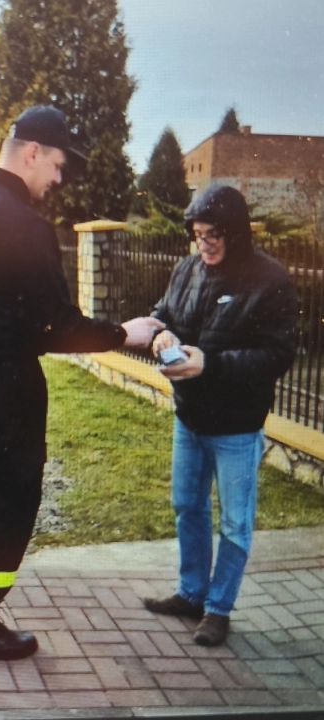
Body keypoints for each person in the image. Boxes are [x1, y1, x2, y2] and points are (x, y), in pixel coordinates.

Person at [0, 105, 164, 664]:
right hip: (3, 383)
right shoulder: (24, 225)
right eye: (55, 165)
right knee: (14, 494)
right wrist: (127, 332)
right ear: (31, 152)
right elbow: (56, 327)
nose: (58, 179)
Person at [143, 185, 297, 646]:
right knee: (187, 506)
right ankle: (191, 593)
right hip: (189, 417)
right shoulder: (187, 268)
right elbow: (163, 313)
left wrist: (209, 362)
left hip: (237, 425)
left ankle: (218, 608)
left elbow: (278, 354)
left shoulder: (270, 279)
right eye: (196, 234)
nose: (203, 244)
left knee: (234, 521)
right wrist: (160, 337)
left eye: (213, 235)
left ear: (235, 232)